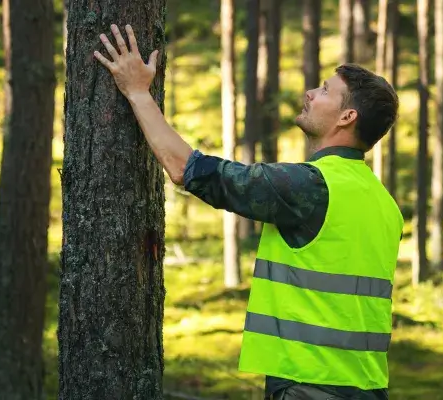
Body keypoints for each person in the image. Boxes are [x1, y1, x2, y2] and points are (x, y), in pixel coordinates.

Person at [94, 25, 403, 400]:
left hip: (310, 386)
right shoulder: (383, 203)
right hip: (367, 388)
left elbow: (188, 169)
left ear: (346, 117)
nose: (310, 93)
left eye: (324, 90)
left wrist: (139, 92)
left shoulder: (311, 187)